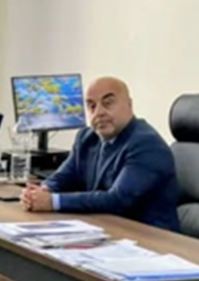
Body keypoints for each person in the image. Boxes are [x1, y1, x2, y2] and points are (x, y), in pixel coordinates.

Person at [21, 76, 181, 232]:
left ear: (129, 105)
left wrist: (53, 201)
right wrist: (40, 192)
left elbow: (118, 200)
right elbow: (63, 177)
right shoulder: (87, 137)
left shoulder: (146, 144)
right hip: (105, 228)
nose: (98, 112)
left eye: (107, 103)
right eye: (91, 106)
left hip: (150, 237)